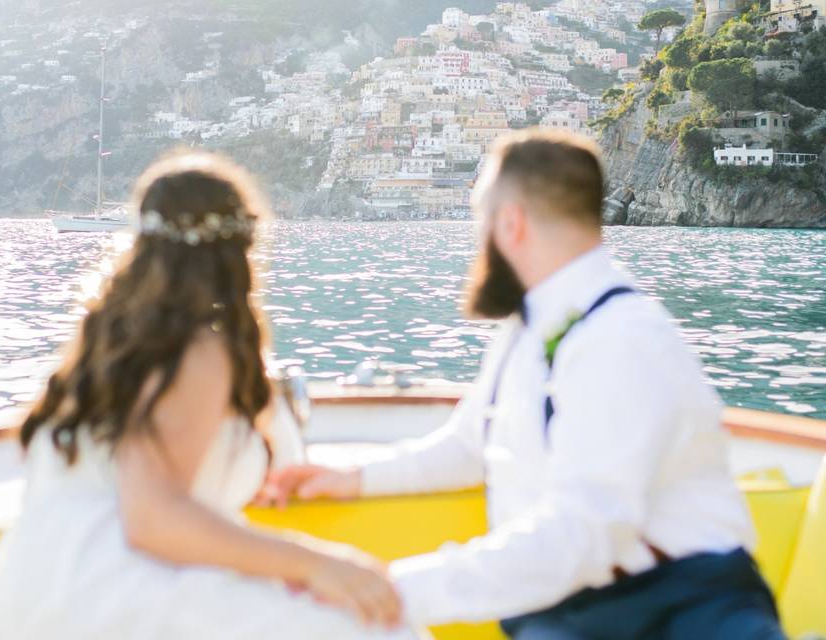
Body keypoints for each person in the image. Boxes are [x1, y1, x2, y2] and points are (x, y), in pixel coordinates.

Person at [265, 130, 787, 639]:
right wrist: (353, 478)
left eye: (479, 219)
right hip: (564, 612)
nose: (477, 240)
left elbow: (587, 533)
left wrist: (392, 588)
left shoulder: (622, 339)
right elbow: (471, 447)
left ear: (509, 224)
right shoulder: (528, 327)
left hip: (682, 610)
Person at [0, 152, 424, 640]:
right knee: (388, 629)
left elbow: (132, 470)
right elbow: (151, 519)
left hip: (29, 594)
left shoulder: (111, 341)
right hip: (118, 593)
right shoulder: (195, 349)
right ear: (240, 247)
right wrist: (320, 563)